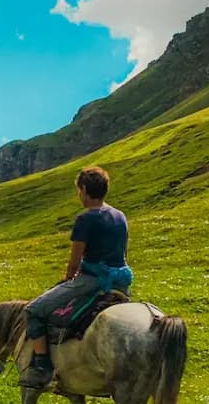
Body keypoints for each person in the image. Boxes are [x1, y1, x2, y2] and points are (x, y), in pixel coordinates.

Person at [19, 166, 133, 389]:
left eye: (79, 191)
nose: (78, 196)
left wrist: (68, 278)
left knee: (32, 310)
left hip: (92, 280)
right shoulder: (120, 215)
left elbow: (74, 263)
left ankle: (42, 365)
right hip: (122, 281)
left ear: (84, 190)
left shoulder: (86, 219)